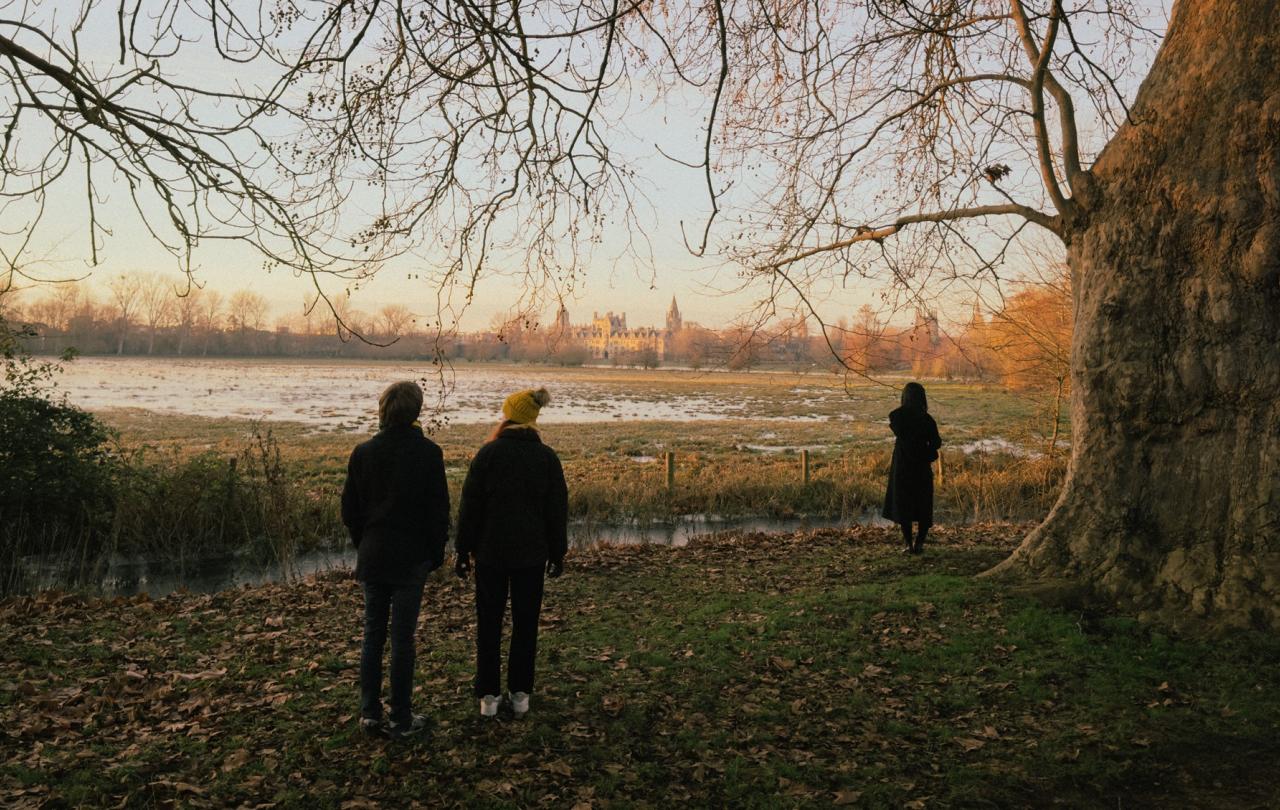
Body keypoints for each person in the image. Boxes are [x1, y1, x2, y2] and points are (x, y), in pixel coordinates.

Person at [341, 381, 449, 739]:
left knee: (373, 634)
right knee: (403, 638)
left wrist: (364, 543)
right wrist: (434, 555)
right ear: (416, 411)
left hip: (374, 553)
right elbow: (439, 512)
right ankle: (401, 717)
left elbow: (350, 511)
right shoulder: (429, 454)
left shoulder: (363, 452)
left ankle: (369, 714)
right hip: (411, 558)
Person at [455, 387, 568, 719]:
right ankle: (520, 695)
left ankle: (488, 697)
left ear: (508, 418)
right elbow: (556, 510)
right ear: (532, 421)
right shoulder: (546, 458)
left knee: (488, 623)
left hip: (490, 554)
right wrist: (557, 553)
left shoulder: (487, 455)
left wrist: (462, 551)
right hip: (531, 556)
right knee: (526, 623)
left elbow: (469, 509)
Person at [882, 381, 942, 555]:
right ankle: (920, 544)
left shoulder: (897, 417)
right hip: (921, 468)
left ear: (905, 397)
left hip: (902, 468)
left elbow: (901, 432)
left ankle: (908, 544)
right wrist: (929, 452)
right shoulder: (927, 419)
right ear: (922, 398)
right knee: (923, 505)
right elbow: (937, 442)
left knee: (903, 505)